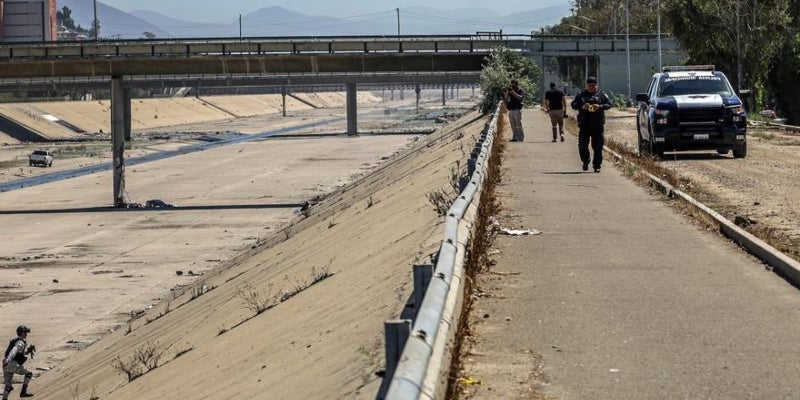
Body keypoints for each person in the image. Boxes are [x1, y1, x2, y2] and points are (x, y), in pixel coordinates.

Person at [571, 76, 612, 172]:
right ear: (586, 85)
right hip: (584, 124)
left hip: (597, 124)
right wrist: (582, 106)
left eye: (593, 85)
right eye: (589, 85)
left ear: (596, 85)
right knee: (582, 145)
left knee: (598, 146)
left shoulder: (602, 95)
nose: (591, 87)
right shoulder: (581, 95)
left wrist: (600, 106)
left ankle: (597, 166)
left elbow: (609, 104)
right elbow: (573, 105)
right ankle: (585, 160)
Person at [3, 325, 34, 399]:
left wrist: (27, 351)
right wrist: (9, 359)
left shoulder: (14, 341)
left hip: (5, 365)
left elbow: (18, 353)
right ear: (22, 333)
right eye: (25, 333)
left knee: (8, 386)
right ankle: (23, 392)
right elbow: (14, 350)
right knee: (29, 373)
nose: (26, 334)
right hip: (13, 364)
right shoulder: (20, 342)